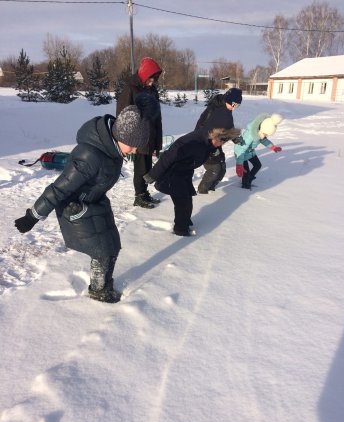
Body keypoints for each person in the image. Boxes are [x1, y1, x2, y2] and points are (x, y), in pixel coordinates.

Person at [14, 94, 157, 303]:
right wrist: (32, 216)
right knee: (103, 250)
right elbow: (59, 189)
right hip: (75, 208)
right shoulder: (90, 156)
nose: (135, 151)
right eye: (133, 145)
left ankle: (104, 283)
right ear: (120, 136)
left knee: (112, 245)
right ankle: (99, 291)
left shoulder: (112, 149)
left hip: (94, 202)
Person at [143, 126, 241, 236]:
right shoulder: (195, 143)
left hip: (184, 173)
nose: (221, 146)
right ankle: (181, 229)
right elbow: (169, 155)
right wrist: (153, 174)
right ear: (217, 138)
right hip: (173, 174)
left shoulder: (209, 144)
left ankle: (184, 221)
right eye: (222, 142)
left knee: (187, 200)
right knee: (183, 203)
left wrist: (233, 137)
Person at [117, 57, 163, 209]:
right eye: (151, 78)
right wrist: (126, 138)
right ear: (145, 74)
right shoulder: (131, 88)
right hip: (137, 134)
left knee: (147, 166)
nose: (153, 81)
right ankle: (139, 196)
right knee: (141, 167)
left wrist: (158, 139)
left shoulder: (152, 90)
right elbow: (123, 112)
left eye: (155, 79)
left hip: (151, 133)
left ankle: (144, 192)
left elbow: (157, 115)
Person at [195, 87, 242, 194]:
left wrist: (235, 138)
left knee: (222, 167)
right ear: (229, 100)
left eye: (237, 106)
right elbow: (202, 127)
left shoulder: (227, 109)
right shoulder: (215, 109)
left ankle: (211, 188)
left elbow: (228, 127)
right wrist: (207, 146)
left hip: (216, 142)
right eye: (234, 105)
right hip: (205, 143)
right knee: (214, 168)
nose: (234, 108)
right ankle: (202, 191)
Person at [235, 113, 283, 189]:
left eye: (268, 135)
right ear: (263, 129)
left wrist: (272, 147)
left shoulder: (260, 133)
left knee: (257, 165)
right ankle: (245, 186)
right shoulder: (250, 135)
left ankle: (249, 178)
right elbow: (241, 149)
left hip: (250, 152)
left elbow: (264, 140)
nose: (266, 136)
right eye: (266, 134)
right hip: (241, 153)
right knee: (245, 171)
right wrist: (239, 165)